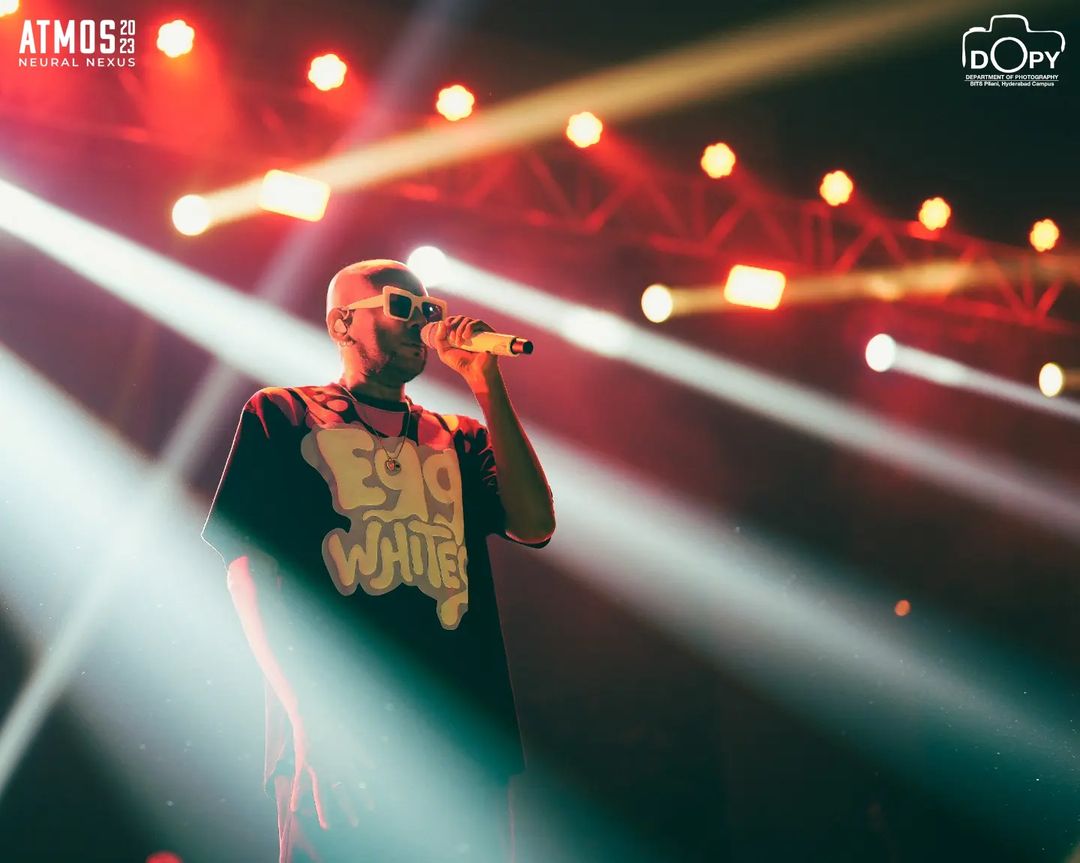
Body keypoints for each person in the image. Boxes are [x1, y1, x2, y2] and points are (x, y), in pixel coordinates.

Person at [201, 260, 556, 862]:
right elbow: (248, 575)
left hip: (462, 740)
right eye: (401, 307)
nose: (420, 322)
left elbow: (535, 523)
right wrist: (309, 717)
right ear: (342, 323)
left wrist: (485, 383)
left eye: (429, 310)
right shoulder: (284, 414)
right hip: (343, 730)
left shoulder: (460, 436)